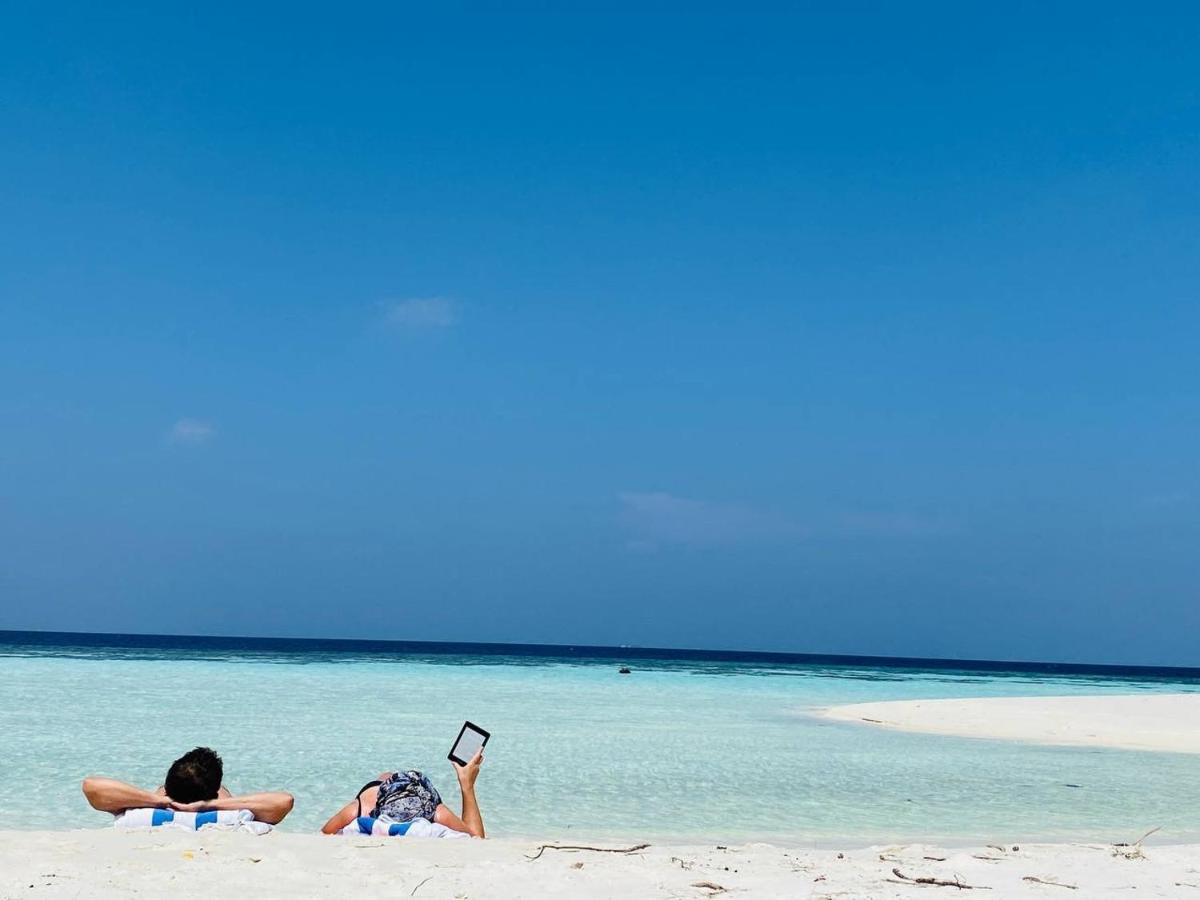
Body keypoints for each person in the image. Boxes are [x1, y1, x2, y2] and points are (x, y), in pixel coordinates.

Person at [81, 746, 295, 824]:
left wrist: (158, 799)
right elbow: (284, 801)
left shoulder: (145, 806)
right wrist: (210, 804)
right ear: (212, 793)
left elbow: (91, 786)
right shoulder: (230, 807)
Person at [320, 748, 485, 837]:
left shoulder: (365, 806)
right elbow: (476, 839)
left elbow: (325, 832)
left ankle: (387, 779)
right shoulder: (436, 811)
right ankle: (389, 779)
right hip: (413, 789)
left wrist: (467, 785)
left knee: (385, 775)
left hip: (398, 788)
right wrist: (467, 786)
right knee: (386, 775)